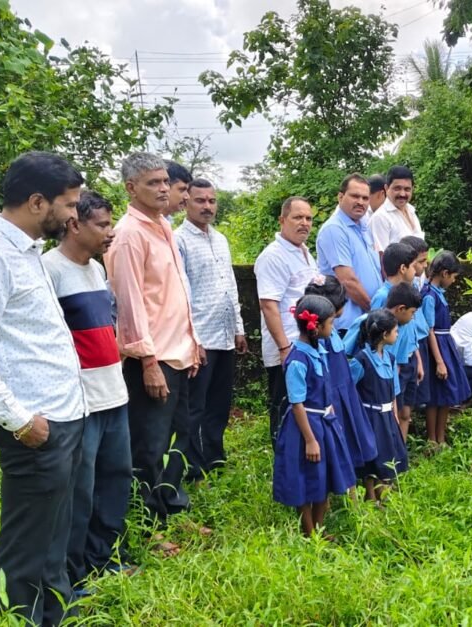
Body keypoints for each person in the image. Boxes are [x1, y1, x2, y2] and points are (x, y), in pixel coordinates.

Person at [0, 151, 87, 625]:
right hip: (34, 425)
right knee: (27, 544)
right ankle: (22, 618)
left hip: (63, 416)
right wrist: (20, 419)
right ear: (36, 202)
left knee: (54, 534)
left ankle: (55, 611)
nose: (74, 216)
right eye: (69, 205)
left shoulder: (27, 252)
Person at [104, 152, 203, 532]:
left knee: (179, 437)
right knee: (149, 445)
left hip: (179, 353)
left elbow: (171, 296)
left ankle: (172, 506)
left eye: (165, 181)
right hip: (154, 359)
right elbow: (128, 304)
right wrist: (147, 362)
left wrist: (193, 343)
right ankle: (150, 523)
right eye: (153, 183)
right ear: (131, 188)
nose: (164, 189)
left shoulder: (163, 228)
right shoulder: (129, 236)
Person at [43, 190, 134, 593]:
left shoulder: (97, 270)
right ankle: (73, 573)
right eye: (101, 224)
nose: (109, 232)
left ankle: (105, 557)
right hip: (80, 402)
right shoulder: (50, 270)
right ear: (74, 224)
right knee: (79, 492)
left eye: (109, 223)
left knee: (115, 481)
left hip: (114, 393)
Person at [176, 178, 246, 476]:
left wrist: (239, 328)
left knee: (220, 403)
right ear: (185, 202)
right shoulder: (178, 240)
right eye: (200, 200)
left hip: (225, 335)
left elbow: (230, 285)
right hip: (201, 337)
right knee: (195, 407)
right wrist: (193, 339)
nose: (207, 206)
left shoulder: (220, 239)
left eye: (211, 201)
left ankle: (214, 458)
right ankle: (192, 468)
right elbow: (181, 293)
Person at [272, 295, 356, 538]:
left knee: (325, 476)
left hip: (325, 422)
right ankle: (309, 533)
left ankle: (319, 528)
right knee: (306, 479)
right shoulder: (297, 360)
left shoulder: (318, 350)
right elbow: (297, 403)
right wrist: (309, 439)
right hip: (306, 428)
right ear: (316, 327)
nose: (333, 327)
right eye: (330, 323)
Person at [255, 196, 318, 440]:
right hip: (287, 346)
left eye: (308, 218)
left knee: (302, 404)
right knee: (284, 407)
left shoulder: (303, 251)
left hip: (305, 344)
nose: (304, 223)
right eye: (297, 217)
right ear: (282, 220)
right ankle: (284, 460)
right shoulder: (274, 256)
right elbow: (268, 305)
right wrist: (284, 348)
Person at [305, 277, 378, 479]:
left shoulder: (332, 329)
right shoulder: (320, 338)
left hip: (347, 392)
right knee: (342, 442)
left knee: (355, 439)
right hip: (335, 398)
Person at [350, 309, 410, 502]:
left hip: (387, 418)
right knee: (371, 459)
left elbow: (393, 391)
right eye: (395, 331)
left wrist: (394, 414)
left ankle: (382, 498)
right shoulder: (361, 360)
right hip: (369, 418)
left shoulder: (390, 359)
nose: (398, 334)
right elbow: (348, 391)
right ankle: (371, 498)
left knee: (388, 457)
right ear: (385, 334)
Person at [368, 242, 425, 437]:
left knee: (406, 412)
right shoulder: (383, 297)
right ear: (403, 268)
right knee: (393, 410)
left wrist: (417, 358)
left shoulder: (409, 293)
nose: (417, 269)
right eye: (413, 265)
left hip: (407, 359)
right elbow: (377, 337)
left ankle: (402, 454)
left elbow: (410, 332)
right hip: (392, 364)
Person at [317, 174, 383, 331]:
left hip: (366, 320)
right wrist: (375, 313)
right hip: (349, 324)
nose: (360, 202)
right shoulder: (335, 229)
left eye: (365, 198)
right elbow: (348, 281)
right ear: (340, 197)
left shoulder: (363, 226)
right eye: (355, 196)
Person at [420, 251, 471, 445]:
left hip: (445, 344)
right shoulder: (429, 296)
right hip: (436, 348)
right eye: (453, 277)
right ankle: (432, 439)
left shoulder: (438, 294)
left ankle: (441, 438)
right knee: (434, 397)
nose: (454, 281)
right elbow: (429, 330)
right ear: (444, 273)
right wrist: (439, 361)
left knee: (446, 394)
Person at [369, 165, 425, 254]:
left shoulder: (411, 211)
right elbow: (381, 258)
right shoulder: (381, 217)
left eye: (407, 189)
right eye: (397, 188)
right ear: (387, 188)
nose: (402, 194)